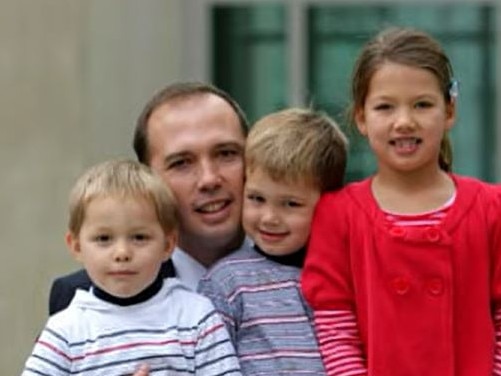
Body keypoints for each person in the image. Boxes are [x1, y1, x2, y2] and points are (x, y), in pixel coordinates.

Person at [300, 27, 501, 376]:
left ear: (449, 111)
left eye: (422, 104)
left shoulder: (491, 208)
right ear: (361, 117)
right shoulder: (338, 214)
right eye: (385, 107)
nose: (404, 122)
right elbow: (335, 326)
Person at [22, 159, 242, 376]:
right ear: (76, 246)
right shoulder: (65, 330)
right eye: (103, 238)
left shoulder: (196, 317)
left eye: (139, 237)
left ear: (168, 244)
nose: (122, 253)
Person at [48, 82, 252, 315]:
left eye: (226, 154)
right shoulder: (82, 297)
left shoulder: (300, 274)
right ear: (148, 179)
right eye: (181, 163)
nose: (209, 179)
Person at [198, 108, 348, 375]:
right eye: (256, 198)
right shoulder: (226, 282)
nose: (269, 218)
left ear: (328, 203)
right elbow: (207, 363)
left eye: (290, 204)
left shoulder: (347, 274)